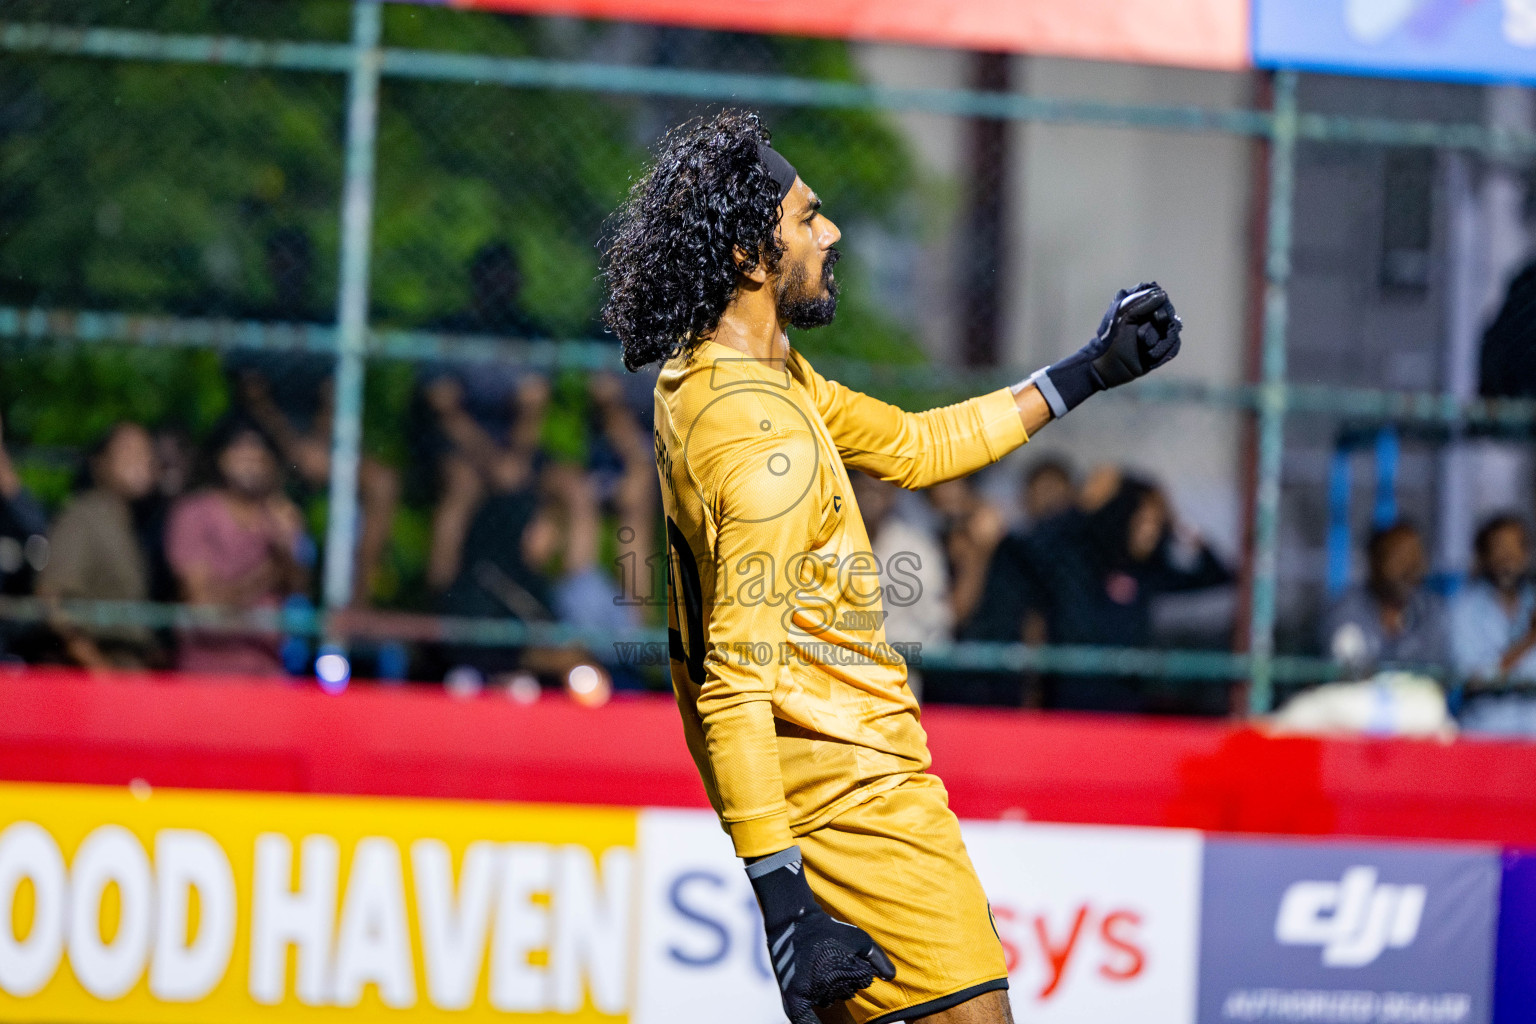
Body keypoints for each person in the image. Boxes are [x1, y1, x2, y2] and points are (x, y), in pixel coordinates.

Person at [602, 110, 1182, 1024]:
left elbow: (914, 445)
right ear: (753, 258)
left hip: (821, 804)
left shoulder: (719, 377)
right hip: (859, 805)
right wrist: (783, 901)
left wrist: (1086, 372)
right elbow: (733, 683)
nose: (829, 233)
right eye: (806, 217)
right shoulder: (766, 441)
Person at [959, 467, 1231, 710]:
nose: (1150, 531)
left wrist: (1176, 524)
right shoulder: (1078, 562)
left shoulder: (1149, 572)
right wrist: (1082, 505)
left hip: (1127, 710)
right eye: (1142, 520)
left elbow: (1218, 576)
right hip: (1069, 709)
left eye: (1156, 523)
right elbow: (1031, 546)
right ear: (1121, 516)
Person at [228, 227, 399, 606]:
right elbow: (254, 399)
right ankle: (290, 604)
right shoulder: (253, 322)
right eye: (281, 261)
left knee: (382, 482)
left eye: (297, 261)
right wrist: (292, 447)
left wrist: (316, 445)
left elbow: (332, 394)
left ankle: (357, 600)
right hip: (263, 443)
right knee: (281, 517)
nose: (289, 270)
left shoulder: (326, 323)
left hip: (317, 446)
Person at [166, 420, 309, 677]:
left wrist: (287, 547)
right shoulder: (194, 514)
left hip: (267, 672)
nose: (250, 462)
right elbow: (202, 603)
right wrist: (270, 571)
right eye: (240, 452)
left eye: (258, 454)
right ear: (220, 458)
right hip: (206, 673)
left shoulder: (280, 517)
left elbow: (298, 591)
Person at [36, 423, 163, 669]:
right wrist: (98, 667)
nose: (141, 460)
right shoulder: (83, 515)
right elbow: (51, 598)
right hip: (96, 679)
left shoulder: (131, 522)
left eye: (147, 452)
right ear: (99, 463)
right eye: (127, 450)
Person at [848, 472, 951, 700]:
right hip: (833, 680)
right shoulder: (822, 543)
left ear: (893, 494)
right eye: (863, 485)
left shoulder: (917, 549)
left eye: (879, 486)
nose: (871, 493)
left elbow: (937, 627)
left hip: (898, 682)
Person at [1448, 515, 1536, 735]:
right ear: (1484, 557)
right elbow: (1474, 679)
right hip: (1485, 735)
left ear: (1526, 555)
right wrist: (1529, 640)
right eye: (1499, 547)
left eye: (1515, 548)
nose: (1508, 557)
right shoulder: (1464, 609)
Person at [1321, 519, 1447, 670]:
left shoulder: (1430, 613)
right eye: (1399, 558)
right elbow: (1346, 678)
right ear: (1375, 562)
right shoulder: (1346, 612)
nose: (1409, 569)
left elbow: (1437, 677)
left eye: (1415, 559)